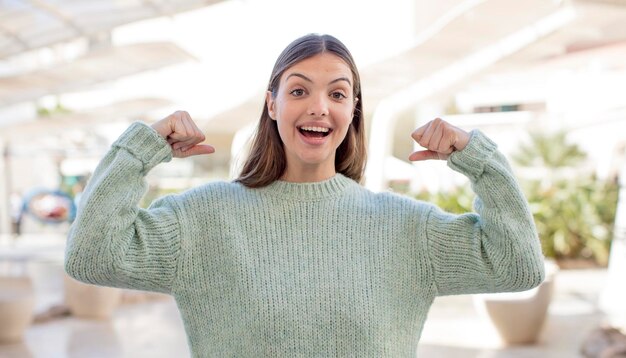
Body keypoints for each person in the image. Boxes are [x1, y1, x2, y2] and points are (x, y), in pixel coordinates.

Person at [65, 33, 545, 357]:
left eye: (338, 94)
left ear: (353, 110)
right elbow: (91, 255)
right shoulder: (202, 220)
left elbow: (519, 266)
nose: (319, 106)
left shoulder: (407, 229)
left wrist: (482, 162)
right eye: (299, 91)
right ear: (271, 103)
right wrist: (139, 151)